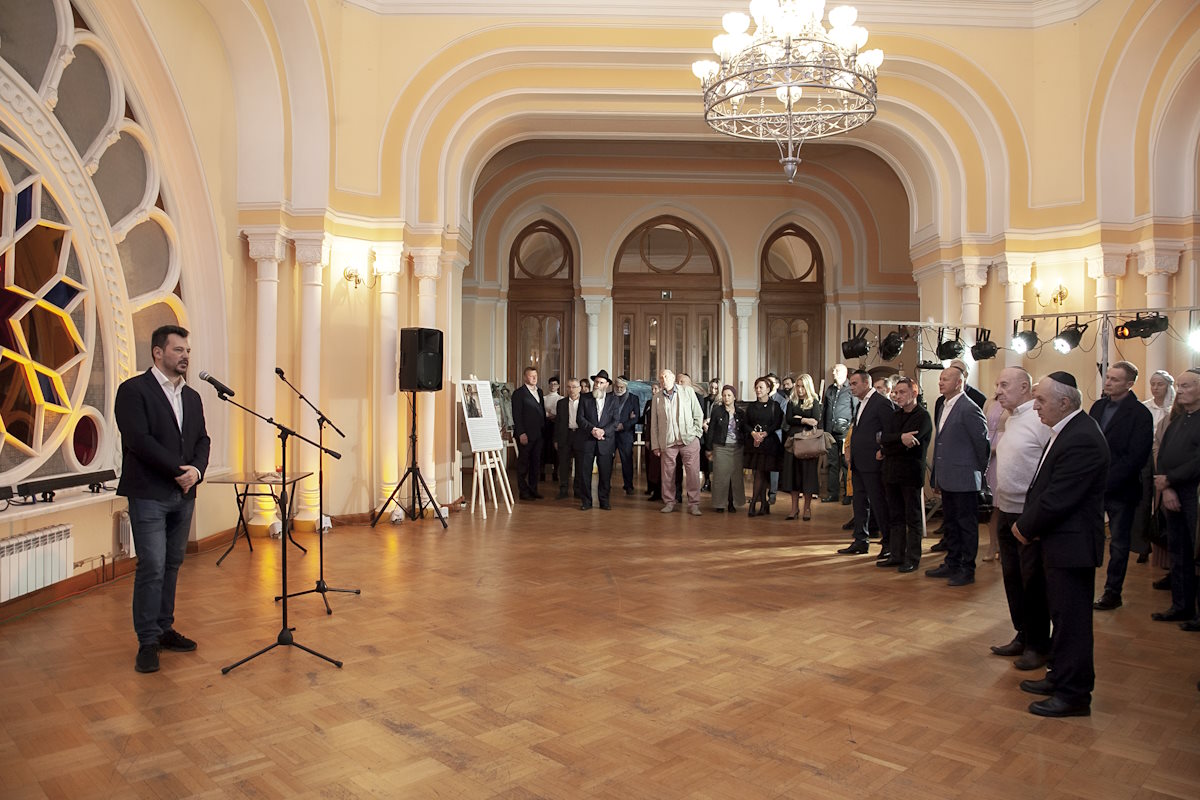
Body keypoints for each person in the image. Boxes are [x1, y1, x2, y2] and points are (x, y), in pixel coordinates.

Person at [114, 325, 210, 674]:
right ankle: (147, 642)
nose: (185, 355)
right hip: (150, 493)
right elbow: (139, 440)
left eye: (187, 350)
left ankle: (164, 628)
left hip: (184, 494)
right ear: (158, 353)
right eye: (178, 350)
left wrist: (196, 471)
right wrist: (178, 470)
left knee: (172, 563)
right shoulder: (133, 391)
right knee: (152, 566)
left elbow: (202, 440)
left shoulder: (193, 397)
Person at [1012, 371, 1109, 717]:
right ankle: (1059, 675)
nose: (1035, 406)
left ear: (1064, 403)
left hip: (1072, 545)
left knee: (1072, 622)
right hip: (1059, 542)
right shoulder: (1067, 429)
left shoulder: (1081, 437)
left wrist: (1024, 526)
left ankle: (1074, 694)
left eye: (1041, 400)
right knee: (1061, 616)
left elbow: (1060, 497)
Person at [990, 367, 1052, 671]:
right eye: (997, 385)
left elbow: (1047, 467)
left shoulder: (1039, 420)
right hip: (1007, 508)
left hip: (1028, 514)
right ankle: (1023, 634)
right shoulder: (1011, 417)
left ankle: (1039, 645)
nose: (998, 391)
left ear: (1025, 387)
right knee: (1013, 578)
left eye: (1004, 385)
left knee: (1032, 582)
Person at [1090, 361, 1154, 611]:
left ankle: (1112, 592)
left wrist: (1107, 480)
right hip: (1094, 487)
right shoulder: (1097, 406)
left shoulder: (1140, 414)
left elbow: (1137, 456)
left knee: (1118, 543)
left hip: (1122, 488)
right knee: (1090, 537)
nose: (1108, 382)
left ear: (1129, 384)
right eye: (1107, 378)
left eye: (1115, 379)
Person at [926, 366, 990, 586]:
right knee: (951, 523)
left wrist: (978, 472)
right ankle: (952, 562)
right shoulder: (944, 405)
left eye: (945, 379)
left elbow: (982, 444)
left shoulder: (969, 408)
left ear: (959, 383)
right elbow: (942, 443)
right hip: (948, 476)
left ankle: (967, 568)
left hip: (964, 477)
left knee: (966, 526)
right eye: (940, 379)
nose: (940, 382)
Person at [1151, 368, 1200, 628]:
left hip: (1194, 495)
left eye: (1187, 386)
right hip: (1172, 494)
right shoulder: (1177, 420)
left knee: (1197, 554)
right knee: (1178, 552)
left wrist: (1170, 480)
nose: (1179, 390)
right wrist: (1166, 487)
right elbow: (1162, 453)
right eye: (1179, 386)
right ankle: (1181, 606)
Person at [878, 376, 932, 572]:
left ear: (914, 393)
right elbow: (884, 439)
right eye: (896, 392)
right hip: (891, 473)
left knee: (913, 517)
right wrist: (900, 438)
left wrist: (893, 443)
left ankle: (912, 557)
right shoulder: (895, 416)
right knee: (895, 516)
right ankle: (896, 554)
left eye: (902, 392)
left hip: (910, 474)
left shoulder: (922, 416)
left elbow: (910, 445)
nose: (897, 396)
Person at [839, 369, 894, 555]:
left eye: (854, 384)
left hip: (873, 463)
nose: (851, 387)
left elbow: (888, 432)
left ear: (866, 383)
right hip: (858, 462)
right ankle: (860, 540)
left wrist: (883, 451)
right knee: (859, 502)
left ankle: (888, 543)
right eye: (850, 384)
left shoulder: (882, 403)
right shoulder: (861, 403)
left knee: (878, 503)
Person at [650, 368, 705, 515]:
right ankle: (669, 502)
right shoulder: (657, 398)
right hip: (668, 442)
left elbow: (698, 414)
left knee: (693, 473)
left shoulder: (687, 391)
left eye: (666, 377)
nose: (663, 380)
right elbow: (653, 424)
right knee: (667, 474)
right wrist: (655, 445)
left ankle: (694, 504)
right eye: (661, 378)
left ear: (673, 378)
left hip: (688, 440)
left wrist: (696, 434)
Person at [1136, 370, 1175, 569]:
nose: (1155, 388)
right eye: (1152, 384)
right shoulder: (1145, 407)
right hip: (1146, 455)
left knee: (1161, 502)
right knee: (1144, 500)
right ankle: (1144, 545)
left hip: (1165, 457)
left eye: (1159, 384)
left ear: (1168, 385)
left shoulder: (1175, 408)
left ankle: (1165, 546)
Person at [779, 374, 823, 521]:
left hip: (809, 442)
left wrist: (800, 419)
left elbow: (815, 420)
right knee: (793, 475)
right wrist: (804, 419)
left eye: (802, 386)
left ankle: (807, 508)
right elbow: (790, 419)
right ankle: (793, 508)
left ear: (808, 387)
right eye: (797, 386)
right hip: (793, 441)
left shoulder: (814, 401)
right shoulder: (792, 402)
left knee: (808, 475)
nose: (799, 389)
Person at [578, 370, 620, 511]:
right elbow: (580, 419)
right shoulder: (585, 398)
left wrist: (603, 431)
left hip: (605, 441)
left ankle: (604, 501)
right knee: (585, 473)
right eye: (596, 382)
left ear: (607, 385)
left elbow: (615, 421)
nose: (597, 385)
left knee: (605, 473)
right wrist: (593, 430)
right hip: (587, 441)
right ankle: (586, 501)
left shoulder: (613, 400)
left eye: (601, 383)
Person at [744, 376, 783, 516]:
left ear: (768, 389)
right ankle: (763, 504)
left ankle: (754, 503)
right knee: (759, 473)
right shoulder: (752, 406)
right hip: (755, 444)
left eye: (761, 387)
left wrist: (765, 433)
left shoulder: (775, 406)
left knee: (762, 473)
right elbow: (746, 423)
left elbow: (777, 423)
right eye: (756, 387)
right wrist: (753, 433)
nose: (758, 390)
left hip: (769, 444)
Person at [704, 384, 745, 513]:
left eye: (729, 395)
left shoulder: (740, 413)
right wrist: (709, 448)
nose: (726, 398)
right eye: (724, 395)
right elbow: (711, 431)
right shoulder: (717, 411)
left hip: (736, 447)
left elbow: (744, 431)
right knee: (720, 477)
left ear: (734, 397)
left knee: (735, 477)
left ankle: (732, 502)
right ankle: (719, 504)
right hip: (720, 447)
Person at [821, 363, 857, 504]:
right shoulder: (830, 389)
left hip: (845, 432)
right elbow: (825, 410)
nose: (833, 372)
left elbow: (855, 410)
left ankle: (849, 493)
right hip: (830, 432)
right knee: (832, 463)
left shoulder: (850, 389)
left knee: (846, 463)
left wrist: (852, 429)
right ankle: (833, 493)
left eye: (836, 370)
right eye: (833, 370)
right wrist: (823, 430)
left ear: (844, 372)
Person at [511, 366, 546, 501]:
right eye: (531, 376)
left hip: (539, 434)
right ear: (525, 377)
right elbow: (517, 415)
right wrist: (521, 433)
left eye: (536, 376)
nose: (534, 378)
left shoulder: (540, 392)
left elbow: (540, 411)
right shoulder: (519, 393)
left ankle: (533, 489)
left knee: (536, 463)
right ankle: (523, 491)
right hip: (525, 435)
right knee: (523, 464)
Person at [554, 378, 587, 500]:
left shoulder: (586, 401)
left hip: (580, 436)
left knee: (580, 464)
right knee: (563, 464)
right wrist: (556, 439)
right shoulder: (561, 403)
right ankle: (563, 490)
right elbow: (558, 422)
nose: (571, 389)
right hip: (565, 436)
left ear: (579, 388)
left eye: (574, 387)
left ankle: (578, 490)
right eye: (569, 387)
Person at [612, 376, 640, 495]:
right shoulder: (609, 397)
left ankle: (628, 486)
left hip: (626, 434)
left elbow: (637, 417)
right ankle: (604, 485)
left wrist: (623, 425)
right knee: (607, 460)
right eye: (617, 386)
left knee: (627, 461)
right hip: (610, 433)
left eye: (621, 387)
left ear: (626, 386)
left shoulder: (633, 398)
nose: (618, 389)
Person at [542, 376, 562, 483]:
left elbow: (561, 414)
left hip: (555, 426)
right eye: (551, 384)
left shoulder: (561, 399)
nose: (553, 386)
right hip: (545, 426)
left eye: (555, 384)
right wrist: (548, 414)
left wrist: (552, 415)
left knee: (555, 449)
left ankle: (555, 473)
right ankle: (542, 472)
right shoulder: (543, 398)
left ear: (558, 386)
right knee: (544, 449)